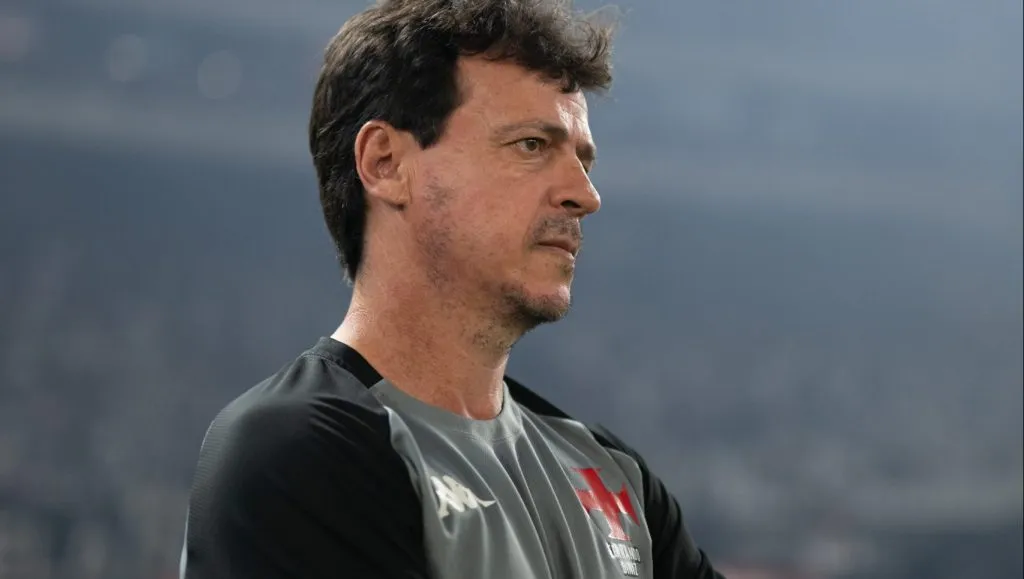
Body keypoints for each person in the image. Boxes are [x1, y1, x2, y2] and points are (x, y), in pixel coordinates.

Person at [179, 0, 725, 577]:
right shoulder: (291, 450)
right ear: (386, 163)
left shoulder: (615, 477)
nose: (585, 195)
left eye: (583, 160)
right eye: (532, 146)